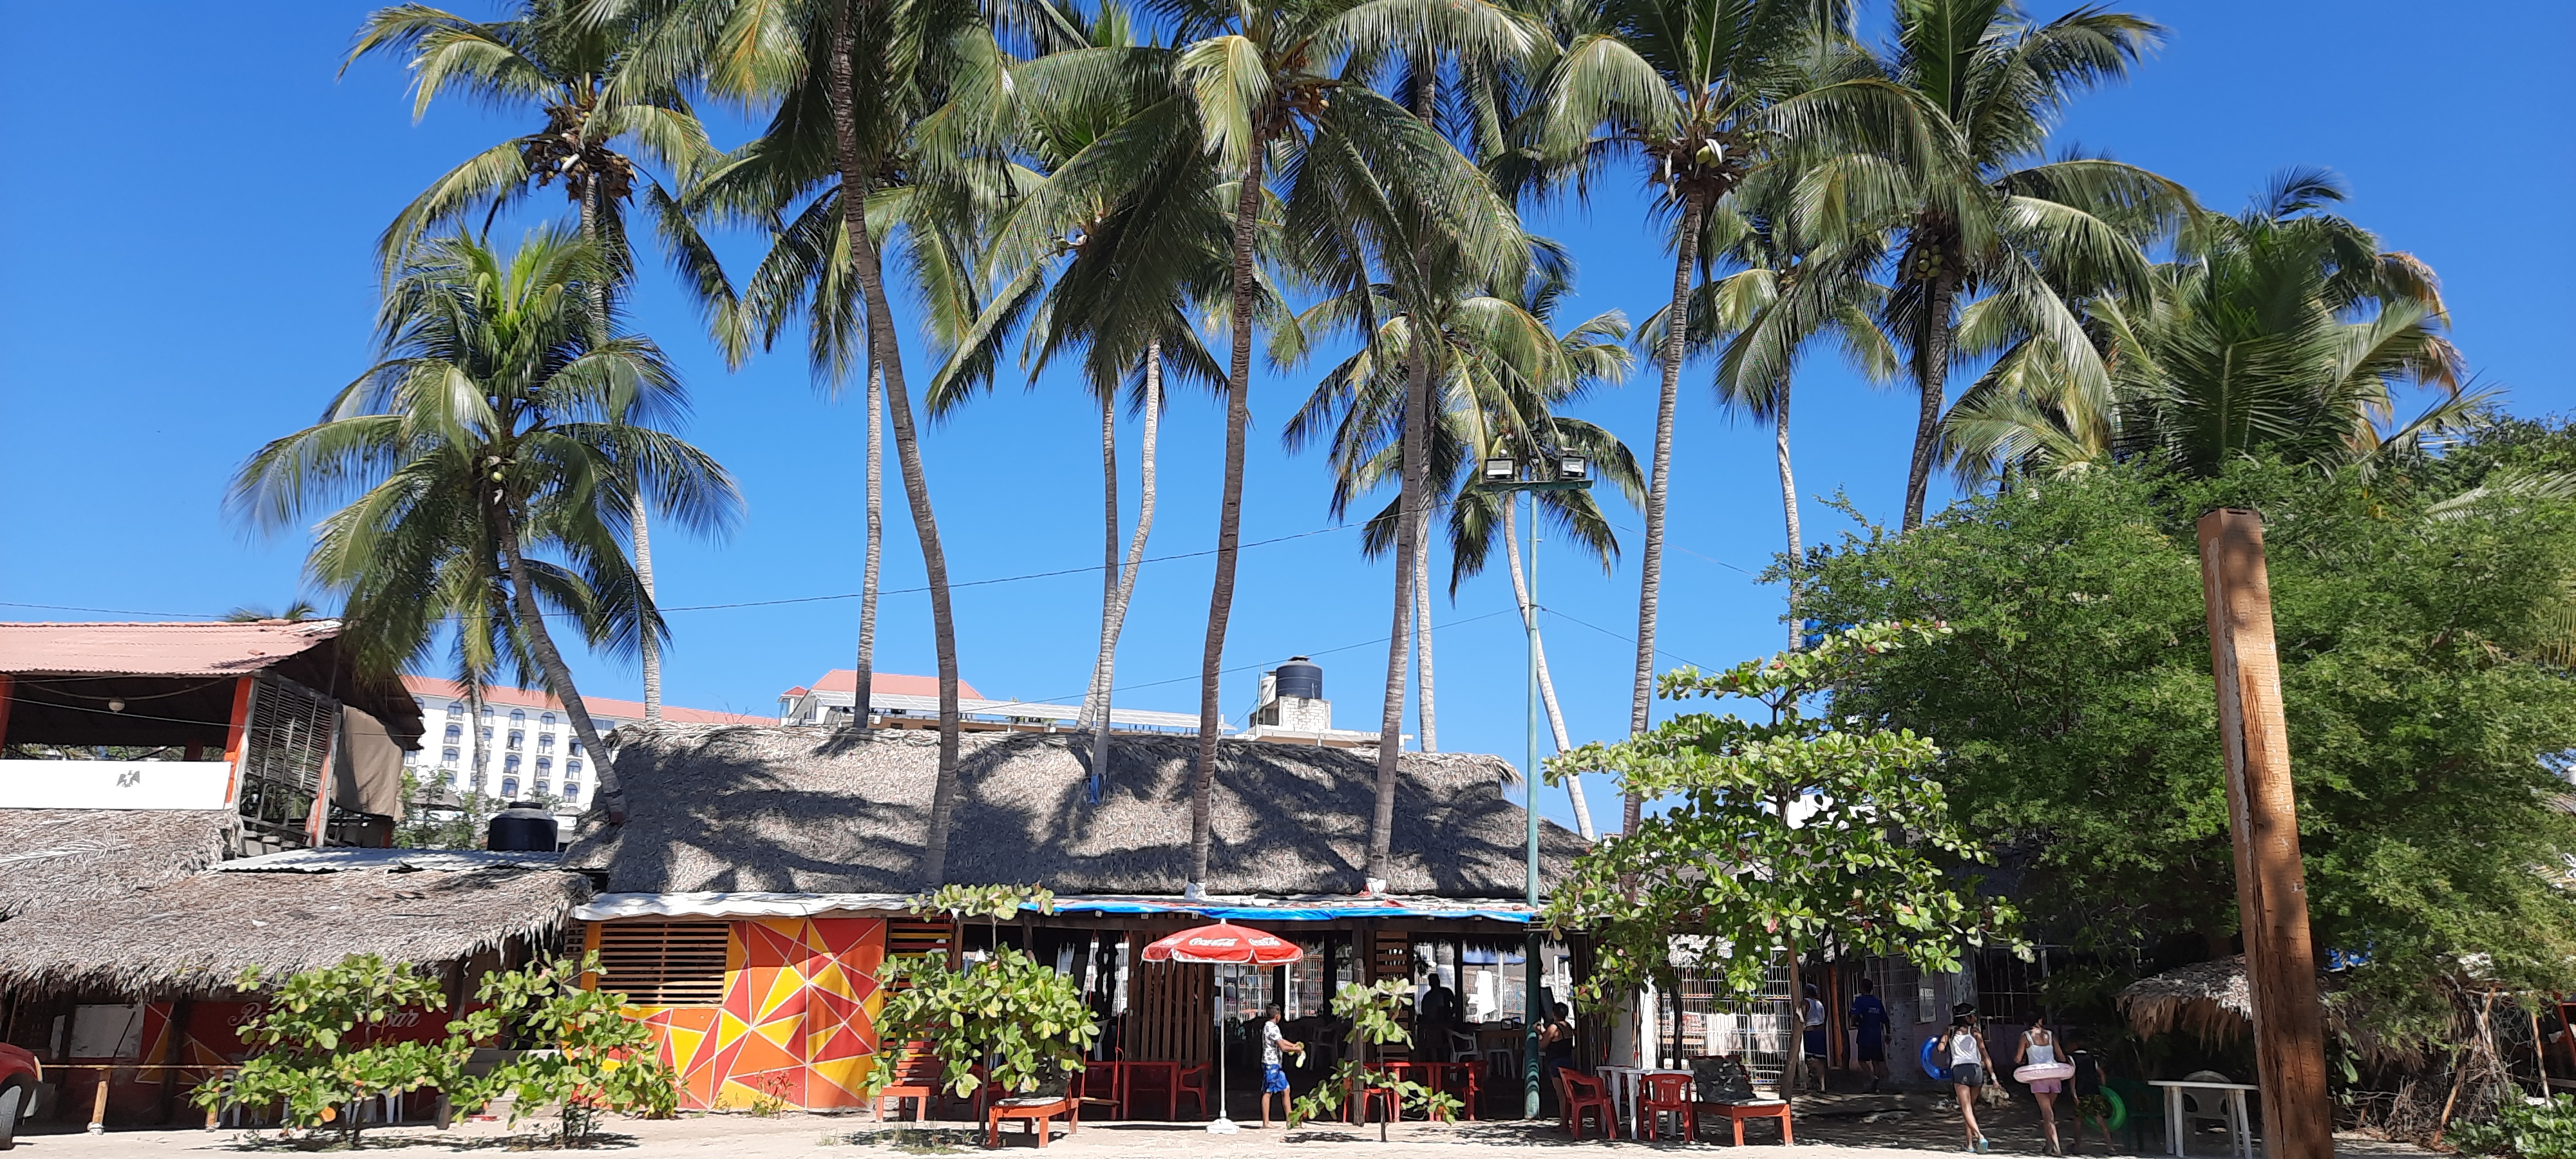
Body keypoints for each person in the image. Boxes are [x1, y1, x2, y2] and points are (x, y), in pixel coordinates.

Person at [1941, 1004, 1994, 1153]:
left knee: (1966, 1108)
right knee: (1970, 1109)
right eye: (1974, 1015)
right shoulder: (1976, 1032)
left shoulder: (1949, 1031)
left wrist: (1942, 1046)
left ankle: (1980, 1136)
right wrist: (1994, 1077)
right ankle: (1969, 1145)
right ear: (1967, 1017)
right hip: (1976, 1071)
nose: (1976, 1018)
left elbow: (1940, 1048)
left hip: (1960, 1069)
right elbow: (1985, 1054)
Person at [2018, 1012, 2069, 1154]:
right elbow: (2062, 1057)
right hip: (2054, 1076)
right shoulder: (2051, 1035)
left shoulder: (2025, 1036)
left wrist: (2022, 1061)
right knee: (2049, 1112)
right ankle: (2048, 1145)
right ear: (2040, 1020)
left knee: (2047, 1114)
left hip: (2038, 1077)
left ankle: (2057, 1147)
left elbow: (2018, 1058)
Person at [2063, 1028, 2115, 1153]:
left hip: (2081, 1093)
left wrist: (2074, 1094)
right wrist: (2103, 1088)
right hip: (2095, 1092)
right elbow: (2102, 1074)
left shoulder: (2071, 1058)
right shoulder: (2091, 1058)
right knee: (2100, 1119)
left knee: (2078, 1119)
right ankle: (2111, 1146)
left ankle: (2077, 1146)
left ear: (2074, 1045)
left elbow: (2072, 1076)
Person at [1258, 1003, 1305, 1129]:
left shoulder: (1270, 1026)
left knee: (1286, 1089)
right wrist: (1296, 1051)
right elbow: (1282, 1046)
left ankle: (1290, 1120)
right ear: (1278, 1016)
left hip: (1276, 1065)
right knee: (1268, 1092)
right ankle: (1266, 1123)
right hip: (1271, 1064)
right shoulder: (1272, 1027)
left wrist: (1294, 1045)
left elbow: (1281, 1040)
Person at [1849, 977, 1891, 1093]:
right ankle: (1876, 1087)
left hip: (1865, 1035)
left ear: (1862, 988)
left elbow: (1854, 1015)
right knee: (1876, 1060)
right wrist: (1888, 1033)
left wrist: (1854, 1023)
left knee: (1862, 1060)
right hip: (1876, 1035)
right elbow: (1885, 1020)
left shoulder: (1860, 1001)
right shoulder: (1877, 1002)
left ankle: (1873, 1077)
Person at [1539, 1002, 1578, 1095]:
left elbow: (1542, 1045)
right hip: (1568, 1061)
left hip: (1556, 1063)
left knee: (1561, 1095)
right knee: (1568, 1093)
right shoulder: (1567, 1026)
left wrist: (1539, 1034)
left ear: (1554, 1013)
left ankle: (1563, 1110)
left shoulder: (1554, 1027)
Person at [1802, 983, 1830, 1093]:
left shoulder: (1806, 1002)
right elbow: (1824, 1018)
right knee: (1820, 1061)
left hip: (1810, 1032)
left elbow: (1802, 1017)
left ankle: (1809, 1082)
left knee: (1808, 1059)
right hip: (1820, 1033)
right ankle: (1822, 1086)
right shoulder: (1820, 1004)